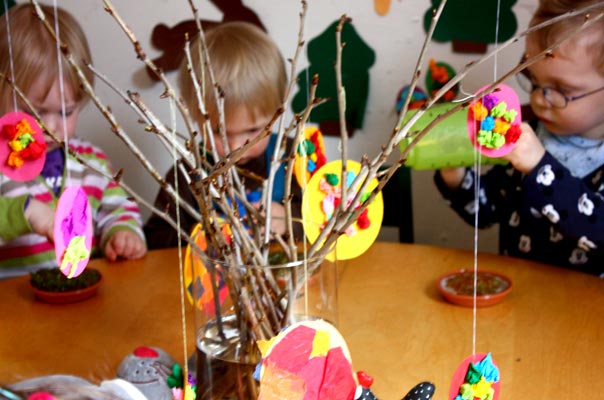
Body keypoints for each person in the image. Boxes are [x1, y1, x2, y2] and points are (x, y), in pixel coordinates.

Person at [435, 0, 604, 276]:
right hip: (519, 298)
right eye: (534, 80)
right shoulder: (530, 133)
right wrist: (456, 177)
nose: (539, 97)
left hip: (587, 311)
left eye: (561, 89)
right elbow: (487, 211)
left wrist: (540, 167)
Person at [0, 4, 146, 278]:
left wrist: (122, 233)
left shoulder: (91, 161)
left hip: (83, 304)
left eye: (66, 112)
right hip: (13, 310)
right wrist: (26, 212)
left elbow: (120, 207)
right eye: (35, 113)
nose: (52, 127)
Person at [144, 21, 302, 249]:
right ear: (193, 112)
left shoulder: (294, 158)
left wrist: (289, 222)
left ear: (279, 107)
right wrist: (201, 236)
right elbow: (156, 239)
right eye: (219, 131)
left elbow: (326, 221)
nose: (236, 148)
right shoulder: (187, 174)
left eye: (252, 131)